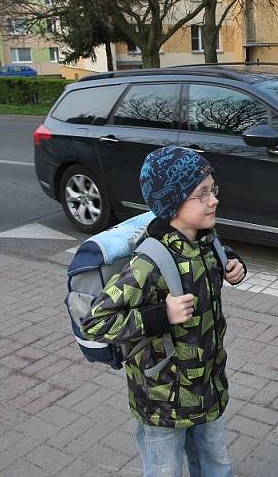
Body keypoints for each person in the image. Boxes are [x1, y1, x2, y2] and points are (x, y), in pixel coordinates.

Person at [82, 146, 246, 477]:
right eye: (201, 194)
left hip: (207, 387)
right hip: (162, 401)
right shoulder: (147, 263)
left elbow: (217, 257)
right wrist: (161, 315)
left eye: (213, 189)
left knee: (216, 464)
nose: (213, 200)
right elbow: (95, 323)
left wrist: (236, 266)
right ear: (172, 203)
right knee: (164, 470)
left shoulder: (207, 240)